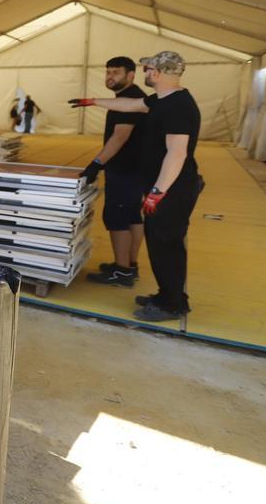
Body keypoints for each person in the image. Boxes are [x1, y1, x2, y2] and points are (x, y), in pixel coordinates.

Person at [70, 51, 202, 322]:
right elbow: (130, 105)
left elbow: (177, 153)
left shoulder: (179, 106)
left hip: (172, 188)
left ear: (157, 73)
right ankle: (167, 295)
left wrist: (158, 192)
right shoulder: (160, 99)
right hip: (163, 186)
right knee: (159, 243)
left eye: (147, 69)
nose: (145, 73)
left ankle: (172, 304)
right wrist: (93, 101)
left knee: (167, 245)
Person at [80, 57, 147, 287]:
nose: (110, 76)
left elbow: (120, 136)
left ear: (131, 75)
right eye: (108, 72)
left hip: (124, 169)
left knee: (117, 217)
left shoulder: (129, 100)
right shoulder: (130, 97)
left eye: (116, 72)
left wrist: (96, 164)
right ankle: (129, 264)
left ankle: (122, 272)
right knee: (132, 216)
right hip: (135, 168)